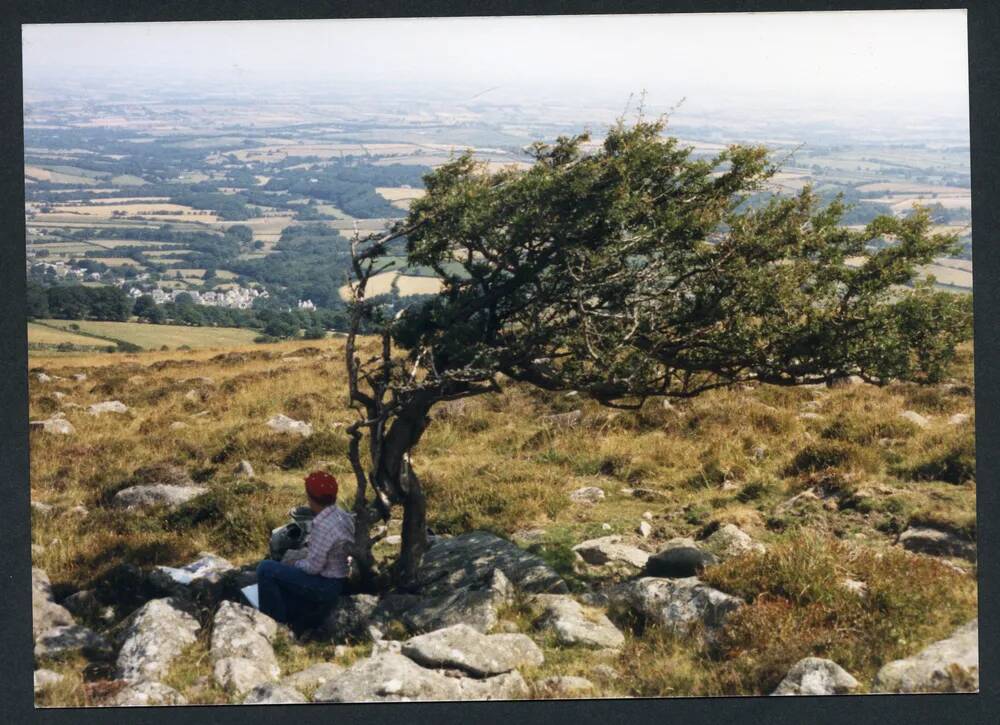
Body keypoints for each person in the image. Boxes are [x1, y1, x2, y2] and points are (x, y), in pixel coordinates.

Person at [255, 471, 354, 628]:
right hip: (340, 578)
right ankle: (292, 615)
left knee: (265, 569)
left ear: (311, 499)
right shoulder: (343, 515)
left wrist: (294, 563)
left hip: (325, 585)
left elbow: (313, 568)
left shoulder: (322, 525)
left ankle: (275, 625)